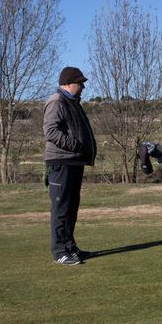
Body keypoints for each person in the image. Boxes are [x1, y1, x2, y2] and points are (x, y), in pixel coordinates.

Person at [43, 66, 97, 265]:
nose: (82, 87)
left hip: (74, 161)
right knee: (61, 208)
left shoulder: (72, 102)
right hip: (61, 162)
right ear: (68, 83)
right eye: (80, 83)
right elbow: (51, 131)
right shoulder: (57, 101)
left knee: (71, 208)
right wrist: (75, 146)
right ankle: (60, 252)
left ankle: (70, 247)